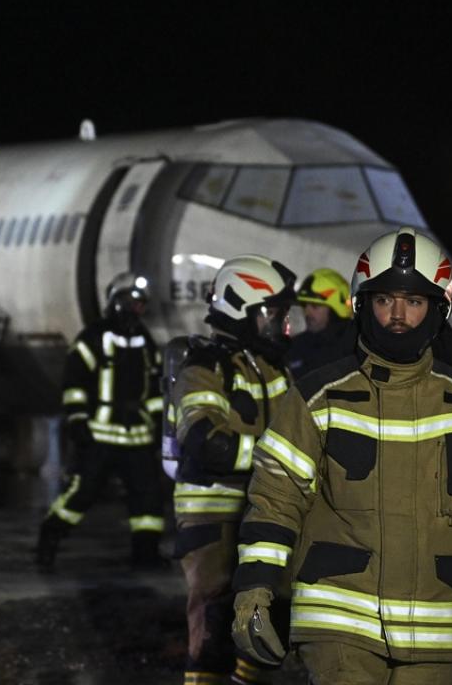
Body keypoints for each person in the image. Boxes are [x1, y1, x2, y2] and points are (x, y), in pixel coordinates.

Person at [231, 228, 452, 684]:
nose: (398, 315)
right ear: (363, 305)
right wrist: (254, 589)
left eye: (414, 302)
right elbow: (276, 500)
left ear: (438, 309)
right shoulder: (318, 397)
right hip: (338, 619)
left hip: (433, 624)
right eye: (385, 300)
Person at [171, 254, 297, 685]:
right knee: (214, 622)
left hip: (264, 511)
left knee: (272, 612)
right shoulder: (204, 367)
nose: (282, 325)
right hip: (212, 513)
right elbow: (206, 441)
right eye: (273, 314)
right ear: (241, 307)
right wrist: (276, 455)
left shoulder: (273, 368)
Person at [35, 273, 166, 572]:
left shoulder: (145, 341)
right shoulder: (93, 337)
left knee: (148, 500)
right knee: (82, 493)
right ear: (116, 302)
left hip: (138, 438)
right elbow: (74, 383)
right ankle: (49, 538)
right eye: (132, 302)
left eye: (141, 304)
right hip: (99, 436)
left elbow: (155, 386)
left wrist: (159, 424)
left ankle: (145, 554)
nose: (137, 309)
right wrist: (78, 419)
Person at [286, 267, 353, 380]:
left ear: (335, 311)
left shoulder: (358, 347)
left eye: (315, 306)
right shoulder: (295, 348)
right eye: (304, 305)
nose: (307, 312)